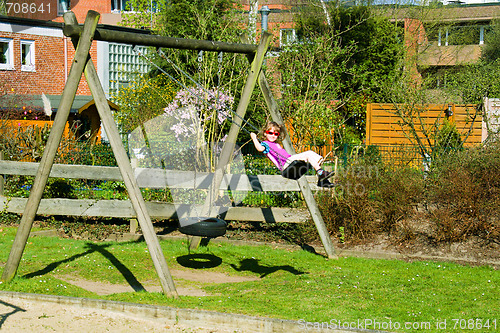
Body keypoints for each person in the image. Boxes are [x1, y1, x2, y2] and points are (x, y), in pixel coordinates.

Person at [250, 121, 335, 188]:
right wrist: (254, 138)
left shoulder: (276, 144)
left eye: (276, 134)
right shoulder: (266, 144)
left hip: (289, 160)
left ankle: (322, 179)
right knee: (308, 154)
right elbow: (260, 149)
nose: (273, 135)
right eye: (270, 133)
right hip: (286, 164)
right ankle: (320, 173)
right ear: (265, 133)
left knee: (312, 156)